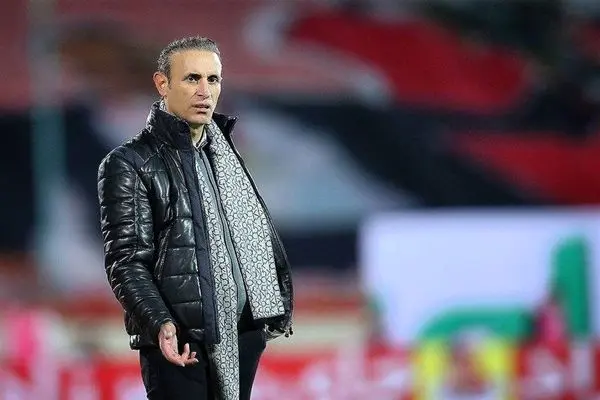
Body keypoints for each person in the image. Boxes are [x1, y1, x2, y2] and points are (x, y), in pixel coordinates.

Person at [97, 36, 294, 400]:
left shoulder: (227, 155)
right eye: (192, 78)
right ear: (162, 84)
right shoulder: (128, 163)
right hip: (180, 338)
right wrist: (160, 322)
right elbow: (126, 262)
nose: (205, 91)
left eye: (213, 79)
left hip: (243, 334)